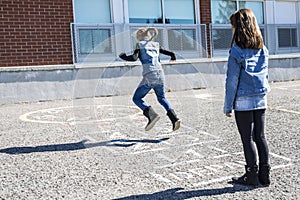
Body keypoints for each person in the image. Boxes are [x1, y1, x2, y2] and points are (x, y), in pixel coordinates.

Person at [224, 9, 271, 187]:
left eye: (233, 25)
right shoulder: (263, 49)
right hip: (260, 98)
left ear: (239, 27)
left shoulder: (236, 51)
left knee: (247, 138)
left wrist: (228, 106)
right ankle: (265, 175)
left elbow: (231, 82)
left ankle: (251, 175)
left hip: (243, 100)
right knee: (260, 136)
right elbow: (266, 75)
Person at [119, 27, 181, 131]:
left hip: (150, 75)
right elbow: (170, 53)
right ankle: (174, 119)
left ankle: (152, 115)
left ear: (139, 37)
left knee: (136, 98)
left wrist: (123, 56)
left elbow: (134, 58)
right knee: (162, 98)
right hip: (160, 74)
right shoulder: (156, 45)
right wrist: (173, 57)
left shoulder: (139, 45)